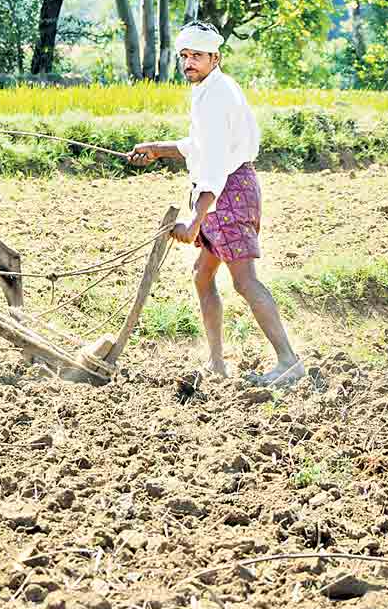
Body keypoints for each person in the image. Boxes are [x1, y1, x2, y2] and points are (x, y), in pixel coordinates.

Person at [129, 21, 303, 386]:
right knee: (202, 274)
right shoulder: (209, 90)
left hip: (229, 192)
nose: (189, 63)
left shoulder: (217, 96)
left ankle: (288, 360)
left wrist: (194, 220)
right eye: (185, 56)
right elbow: (200, 147)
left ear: (215, 57)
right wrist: (158, 150)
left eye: (197, 56)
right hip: (226, 190)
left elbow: (214, 166)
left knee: (244, 280)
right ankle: (216, 362)